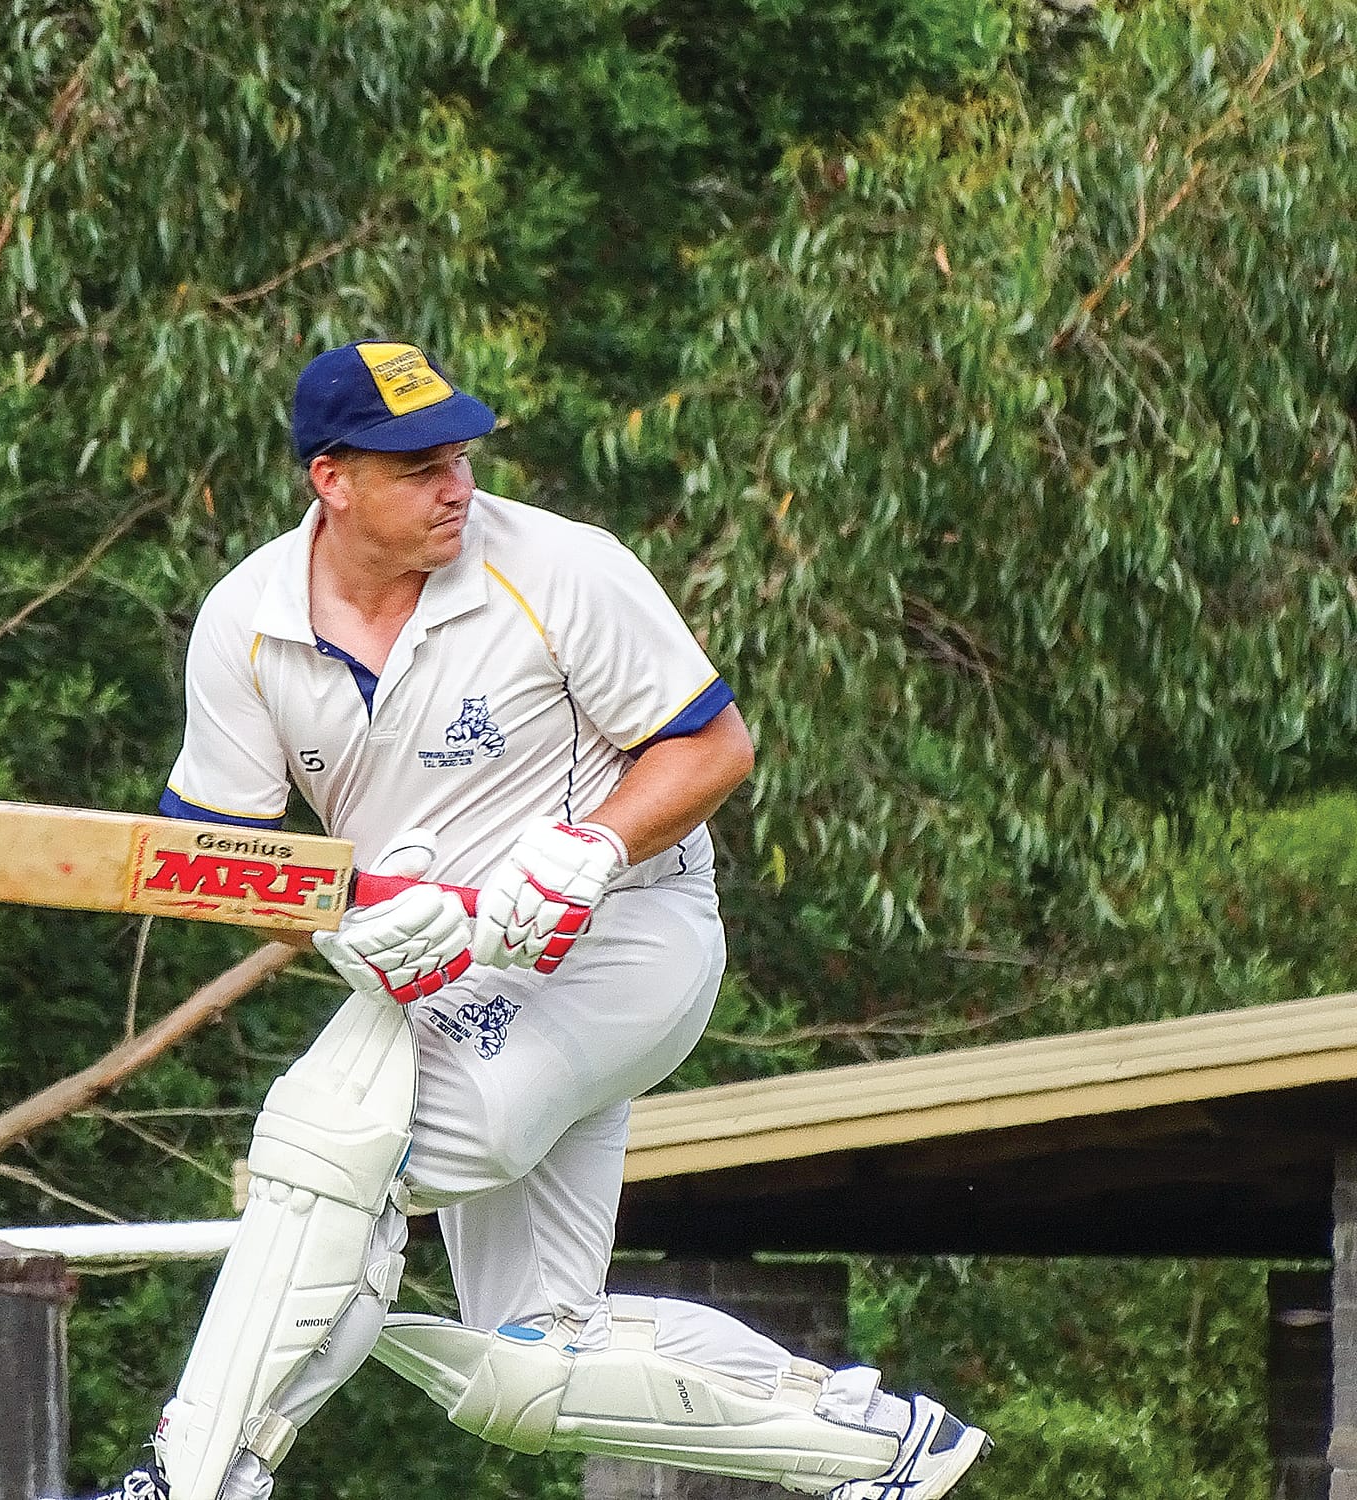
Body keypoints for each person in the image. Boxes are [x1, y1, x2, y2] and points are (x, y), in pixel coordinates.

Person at [91, 339, 987, 1500]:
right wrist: (335, 929)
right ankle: (876, 1448)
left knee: (324, 1151)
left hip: (623, 942)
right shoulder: (245, 624)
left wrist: (591, 846)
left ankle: (195, 1475)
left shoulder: (559, 566)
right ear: (331, 479)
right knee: (529, 1373)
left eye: (457, 454)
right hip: (441, 986)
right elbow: (229, 865)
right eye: (416, 466)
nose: (454, 487)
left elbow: (712, 746)